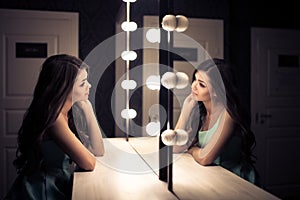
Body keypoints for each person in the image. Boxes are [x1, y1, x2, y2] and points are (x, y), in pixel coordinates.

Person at [5, 54, 105, 200]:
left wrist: (88, 107)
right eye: (82, 83)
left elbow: (98, 150)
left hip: (55, 184)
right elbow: (89, 163)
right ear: (64, 88)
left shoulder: (66, 112)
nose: (89, 86)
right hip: (42, 190)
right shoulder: (54, 120)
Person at [163, 58, 260, 185]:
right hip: (212, 176)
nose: (194, 86)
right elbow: (174, 147)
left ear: (216, 91)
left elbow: (205, 158)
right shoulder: (200, 113)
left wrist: (191, 149)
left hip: (235, 179)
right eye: (195, 80)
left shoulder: (228, 115)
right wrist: (185, 112)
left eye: (201, 84)